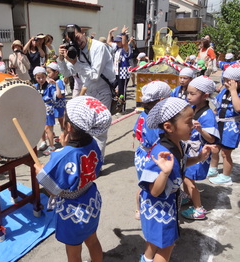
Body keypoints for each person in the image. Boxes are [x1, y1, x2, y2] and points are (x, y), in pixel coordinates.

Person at [35, 95, 112, 262]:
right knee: (92, 240)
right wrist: (66, 148)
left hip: (73, 210)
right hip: (91, 201)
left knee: (73, 252)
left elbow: (52, 190)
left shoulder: (61, 157)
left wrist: (41, 171)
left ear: (68, 127)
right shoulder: (94, 144)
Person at [139, 97, 213, 262]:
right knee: (167, 246)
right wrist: (164, 173)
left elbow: (182, 163)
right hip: (159, 207)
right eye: (188, 122)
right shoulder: (161, 153)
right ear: (168, 127)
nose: (193, 124)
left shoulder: (177, 144)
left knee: (154, 241)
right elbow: (154, 191)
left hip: (167, 204)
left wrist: (200, 157)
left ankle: (146, 258)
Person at [57, 24, 115, 157]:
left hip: (102, 91)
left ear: (83, 33)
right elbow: (67, 73)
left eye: (77, 37)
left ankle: (97, 164)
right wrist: (61, 59)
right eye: (73, 40)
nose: (78, 42)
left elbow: (94, 75)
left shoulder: (98, 47)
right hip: (88, 92)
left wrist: (76, 62)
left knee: (99, 131)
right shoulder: (75, 49)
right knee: (86, 129)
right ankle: (89, 159)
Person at [181, 76, 219, 220]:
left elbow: (212, 138)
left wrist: (201, 129)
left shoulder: (208, 115)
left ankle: (198, 208)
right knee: (185, 175)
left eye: (192, 94)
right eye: (188, 93)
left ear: (205, 96)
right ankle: (187, 197)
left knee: (188, 179)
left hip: (199, 152)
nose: (188, 97)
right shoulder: (193, 107)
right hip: (189, 149)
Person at [133, 81, 171, 220]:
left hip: (141, 152)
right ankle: (142, 209)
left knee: (143, 183)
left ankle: (138, 210)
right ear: (162, 100)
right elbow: (160, 143)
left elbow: (135, 132)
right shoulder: (156, 121)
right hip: (152, 156)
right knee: (150, 185)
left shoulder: (143, 114)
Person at [207, 63, 240, 185]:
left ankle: (226, 176)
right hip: (220, 125)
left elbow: (238, 108)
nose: (225, 83)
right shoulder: (224, 91)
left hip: (232, 128)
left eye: (228, 81)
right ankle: (213, 168)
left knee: (226, 153)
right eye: (224, 80)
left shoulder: (235, 93)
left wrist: (233, 91)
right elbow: (217, 103)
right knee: (215, 148)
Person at [33, 66, 61, 156]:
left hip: (48, 109)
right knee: (41, 127)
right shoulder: (35, 86)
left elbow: (58, 96)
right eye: (38, 77)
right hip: (39, 109)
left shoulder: (50, 86)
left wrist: (56, 85)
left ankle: (52, 146)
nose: (41, 79)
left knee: (48, 128)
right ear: (35, 77)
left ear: (46, 76)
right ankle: (43, 142)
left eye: (43, 77)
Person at [107, 26, 132, 114]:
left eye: (119, 41)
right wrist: (110, 33)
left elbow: (125, 44)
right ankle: (116, 106)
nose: (117, 42)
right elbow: (109, 42)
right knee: (112, 87)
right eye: (116, 41)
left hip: (123, 73)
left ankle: (122, 109)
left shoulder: (126, 49)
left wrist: (123, 33)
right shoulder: (117, 48)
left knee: (122, 90)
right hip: (116, 72)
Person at [46, 62, 66, 133]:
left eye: (49, 72)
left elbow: (60, 95)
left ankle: (64, 131)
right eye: (47, 73)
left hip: (59, 104)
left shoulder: (59, 82)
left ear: (56, 72)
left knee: (60, 118)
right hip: (52, 104)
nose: (48, 74)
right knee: (51, 119)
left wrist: (55, 85)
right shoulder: (49, 82)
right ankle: (52, 133)